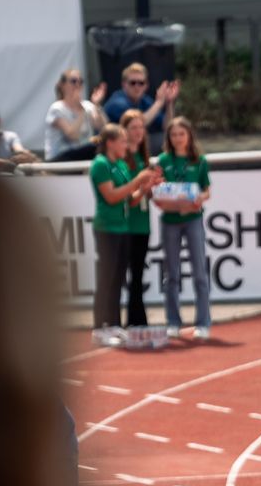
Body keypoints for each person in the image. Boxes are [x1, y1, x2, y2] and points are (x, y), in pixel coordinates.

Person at [89, 123, 160, 347]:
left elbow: (130, 198)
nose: (126, 145)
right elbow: (111, 196)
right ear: (110, 143)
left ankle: (113, 324)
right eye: (122, 141)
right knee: (106, 278)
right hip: (106, 228)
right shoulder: (100, 165)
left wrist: (146, 185)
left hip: (122, 227)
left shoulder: (120, 164)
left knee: (118, 279)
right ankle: (99, 327)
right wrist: (137, 180)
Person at [155, 116, 213, 341]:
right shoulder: (163, 160)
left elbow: (207, 190)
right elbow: (157, 193)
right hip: (170, 221)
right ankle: (172, 321)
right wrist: (174, 203)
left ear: (189, 135)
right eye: (173, 134)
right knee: (172, 274)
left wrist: (199, 198)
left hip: (193, 220)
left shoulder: (199, 160)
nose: (178, 138)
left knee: (199, 272)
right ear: (169, 137)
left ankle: (203, 322)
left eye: (182, 134)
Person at [119, 108, 157, 334]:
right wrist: (143, 187)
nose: (138, 132)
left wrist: (153, 187)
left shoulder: (144, 158)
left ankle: (137, 319)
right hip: (127, 224)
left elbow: (146, 195)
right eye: (133, 128)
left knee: (138, 274)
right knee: (126, 274)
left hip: (143, 223)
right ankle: (133, 320)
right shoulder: (122, 161)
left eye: (141, 127)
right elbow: (129, 198)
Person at [46, 68, 105, 163]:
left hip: (82, 155)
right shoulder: (57, 108)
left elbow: (103, 127)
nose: (77, 85)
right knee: (93, 149)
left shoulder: (87, 105)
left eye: (80, 81)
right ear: (63, 85)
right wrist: (81, 110)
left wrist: (97, 105)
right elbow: (72, 135)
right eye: (73, 81)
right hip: (59, 158)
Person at [104, 62, 178, 135]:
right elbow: (137, 125)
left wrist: (169, 103)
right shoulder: (117, 103)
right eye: (132, 83)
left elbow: (167, 127)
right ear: (124, 84)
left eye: (141, 83)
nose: (137, 86)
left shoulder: (144, 100)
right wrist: (159, 103)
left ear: (146, 85)